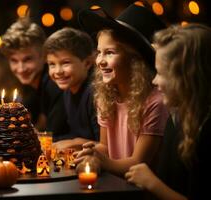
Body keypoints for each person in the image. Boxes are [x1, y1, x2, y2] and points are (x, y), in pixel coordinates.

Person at [74, 4, 169, 177]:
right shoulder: (106, 96)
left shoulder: (155, 101)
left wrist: (102, 161)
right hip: (114, 185)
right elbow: (105, 147)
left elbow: (137, 164)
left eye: (110, 53)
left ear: (135, 60)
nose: (100, 61)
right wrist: (89, 151)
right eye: (99, 52)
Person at [125, 23, 211, 200]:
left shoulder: (206, 127)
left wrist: (151, 182)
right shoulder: (178, 118)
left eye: (161, 73)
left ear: (188, 77)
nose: (155, 81)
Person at [0, 18, 68, 135]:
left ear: (44, 56)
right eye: (14, 61)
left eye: (28, 59)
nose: (21, 69)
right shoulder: (33, 86)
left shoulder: (54, 84)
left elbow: (53, 136)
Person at [44, 27, 99, 150]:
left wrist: (75, 142)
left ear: (87, 63)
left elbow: (107, 146)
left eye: (65, 63)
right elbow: (77, 134)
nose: (58, 71)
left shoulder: (96, 93)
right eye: (52, 64)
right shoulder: (68, 90)